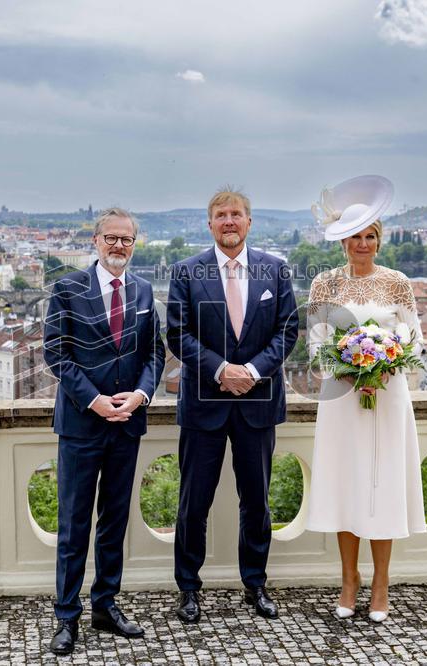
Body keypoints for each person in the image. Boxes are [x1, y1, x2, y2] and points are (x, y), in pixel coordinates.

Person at [167, 187, 298, 623]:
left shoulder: (275, 271)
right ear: (210, 224)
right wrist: (223, 370)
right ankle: (188, 588)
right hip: (204, 404)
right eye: (221, 214)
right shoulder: (186, 272)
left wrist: (254, 372)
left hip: (258, 403)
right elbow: (178, 335)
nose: (229, 221)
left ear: (249, 221)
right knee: (193, 503)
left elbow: (287, 331)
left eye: (236, 214)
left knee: (257, 501)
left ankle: (255, 584)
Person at [42, 207, 165, 655]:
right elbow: (56, 354)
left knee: (114, 522)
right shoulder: (67, 288)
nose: (118, 246)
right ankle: (66, 616)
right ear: (95, 241)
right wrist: (94, 401)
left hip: (127, 424)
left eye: (126, 240)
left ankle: (105, 605)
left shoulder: (145, 290)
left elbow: (155, 354)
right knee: (74, 524)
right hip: (81, 424)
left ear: (135, 244)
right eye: (110, 238)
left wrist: (141, 396)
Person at [304, 175, 426, 623]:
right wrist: (352, 369)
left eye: (370, 235)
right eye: (356, 235)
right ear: (343, 241)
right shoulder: (324, 284)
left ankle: (380, 583)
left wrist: (383, 366)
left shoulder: (397, 283)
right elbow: (317, 343)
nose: (363, 242)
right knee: (346, 484)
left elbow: (415, 341)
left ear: (380, 239)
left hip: (387, 398)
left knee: (382, 486)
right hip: (342, 400)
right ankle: (349, 578)